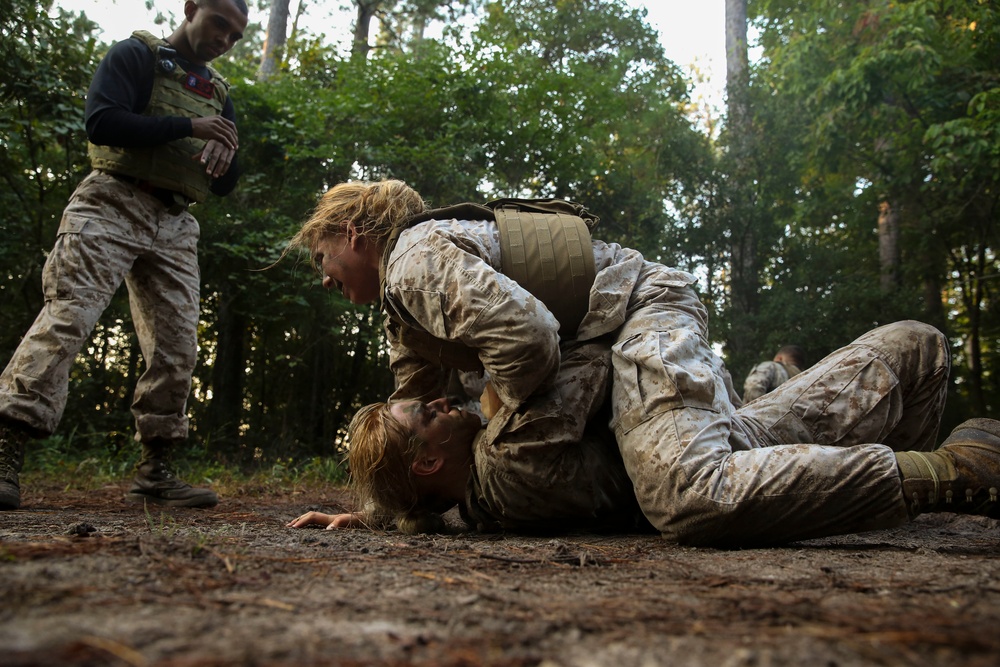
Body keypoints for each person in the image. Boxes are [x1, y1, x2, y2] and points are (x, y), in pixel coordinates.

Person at [285, 179, 1000, 546]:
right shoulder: (403, 312)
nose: (325, 278)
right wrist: (379, 509)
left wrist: (500, 408)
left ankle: (949, 476)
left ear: (354, 233)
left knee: (686, 491)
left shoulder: (411, 260)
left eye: (323, 260)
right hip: (631, 331)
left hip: (636, 316)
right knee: (897, 361)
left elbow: (531, 342)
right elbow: (406, 412)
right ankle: (914, 410)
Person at [0, 0, 250, 511]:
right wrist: (188, 128)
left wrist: (225, 162)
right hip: (112, 200)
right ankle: (5, 450)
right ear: (191, 8)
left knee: (178, 345)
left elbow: (225, 182)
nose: (225, 39)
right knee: (68, 318)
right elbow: (102, 122)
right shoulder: (135, 56)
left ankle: (156, 470)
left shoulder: (219, 94)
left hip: (176, 221)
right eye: (219, 23)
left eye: (236, 35)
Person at [742, 344, 807, 402]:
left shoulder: (772, 366)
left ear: (779, 358)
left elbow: (753, 387)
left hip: (762, 414)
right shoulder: (805, 381)